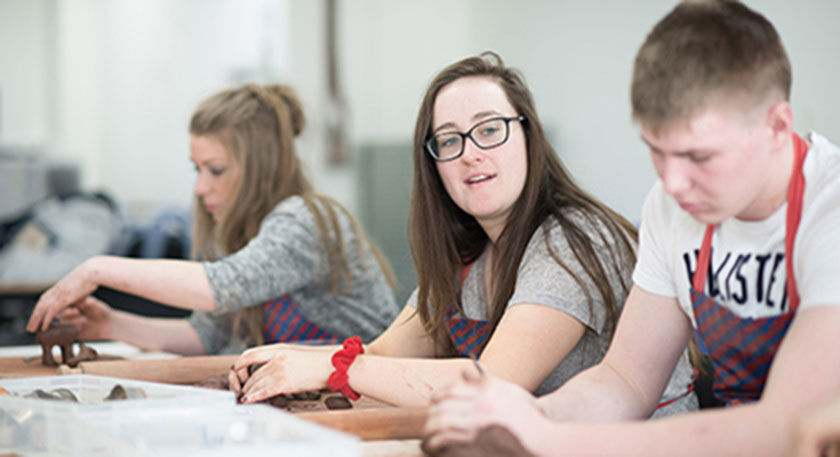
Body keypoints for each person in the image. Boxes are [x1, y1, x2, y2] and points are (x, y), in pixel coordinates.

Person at [423, 1, 840, 456]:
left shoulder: (829, 209)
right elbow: (624, 381)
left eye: (699, 157)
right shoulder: (672, 205)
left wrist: (550, 438)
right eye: (656, 150)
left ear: (777, 127)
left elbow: (787, 426)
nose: (673, 182)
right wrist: (521, 415)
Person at [228, 53, 697, 413]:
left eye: (489, 130)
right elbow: (385, 354)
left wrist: (333, 367)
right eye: (449, 140)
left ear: (529, 137)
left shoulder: (573, 238)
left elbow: (493, 382)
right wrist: (284, 361)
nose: (470, 153)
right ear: (434, 166)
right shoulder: (469, 257)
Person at [26, 84, 399, 355]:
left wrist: (96, 269)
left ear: (260, 170)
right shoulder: (232, 234)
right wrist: (111, 325)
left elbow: (223, 285)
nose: (201, 187)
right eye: (197, 169)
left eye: (216, 170)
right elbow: (206, 336)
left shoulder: (306, 221)